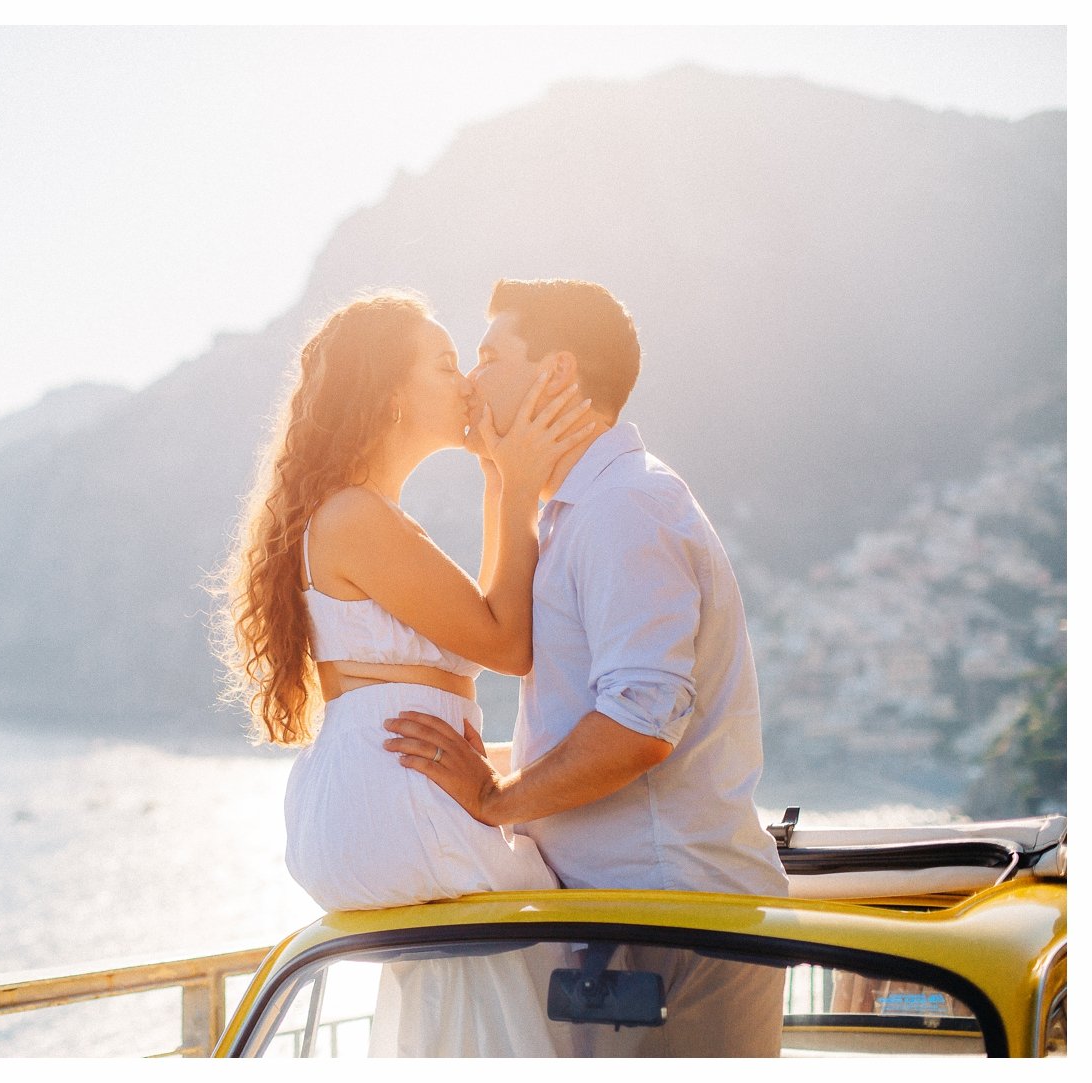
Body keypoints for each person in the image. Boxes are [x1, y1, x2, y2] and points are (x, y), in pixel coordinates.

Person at [383, 277, 790, 1057]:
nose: (470, 379)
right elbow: (597, 713)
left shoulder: (623, 508)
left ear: (557, 374)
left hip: (675, 929)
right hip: (639, 930)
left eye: (490, 355)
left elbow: (641, 721)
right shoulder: (584, 509)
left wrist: (497, 798)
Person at [214, 289, 595, 1056]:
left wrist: (499, 476)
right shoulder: (355, 515)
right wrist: (515, 481)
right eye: (445, 365)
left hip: (388, 785)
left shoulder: (364, 514)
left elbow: (483, 636)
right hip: (392, 793)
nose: (465, 383)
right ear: (391, 393)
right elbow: (505, 641)